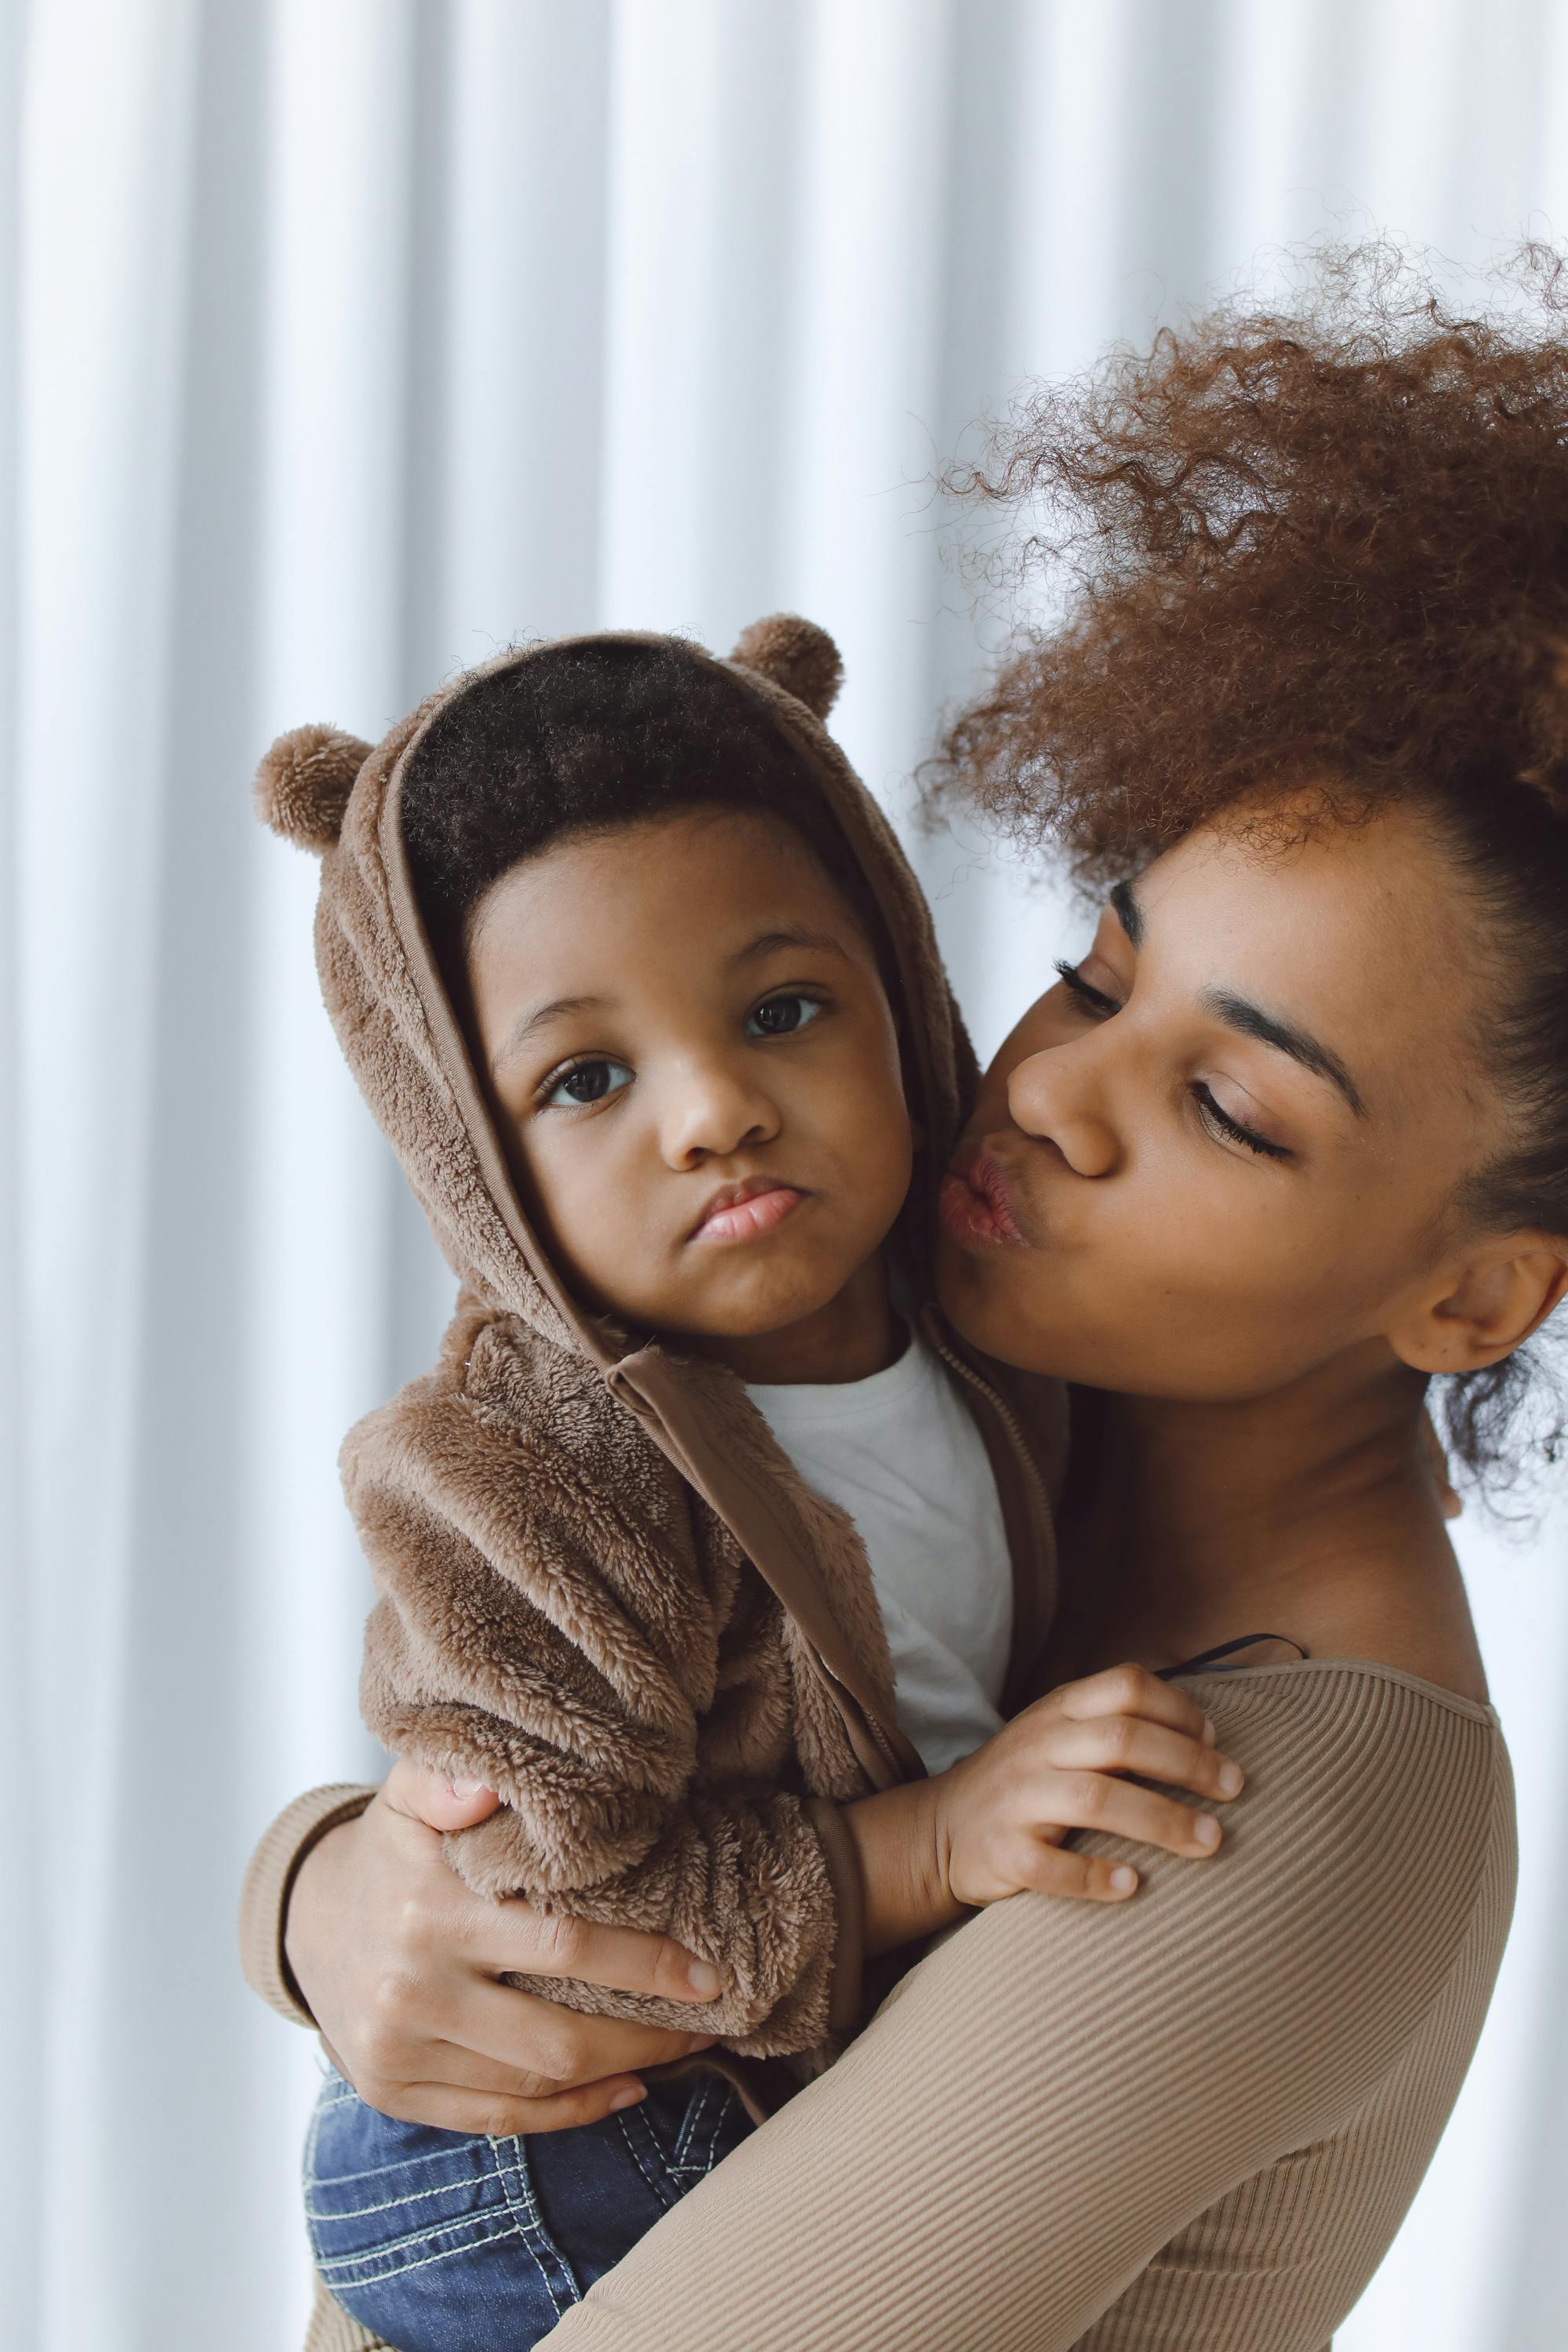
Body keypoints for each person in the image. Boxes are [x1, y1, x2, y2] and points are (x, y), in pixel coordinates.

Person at [245, 249, 1563, 2349]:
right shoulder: (949, 1441)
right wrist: (325, 1890)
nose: (1048, 1097)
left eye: (1224, 1100)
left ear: (1475, 1296)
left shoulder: (1256, 1811)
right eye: (1100, 976)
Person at [252, 618, 1236, 2351]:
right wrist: (930, 1844)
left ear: (898, 984)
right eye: (586, 1079)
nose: (714, 1111)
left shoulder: (978, 1317)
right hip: (540, 2149)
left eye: (782, 1010)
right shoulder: (547, 1464)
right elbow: (542, 1913)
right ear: (470, 1152)